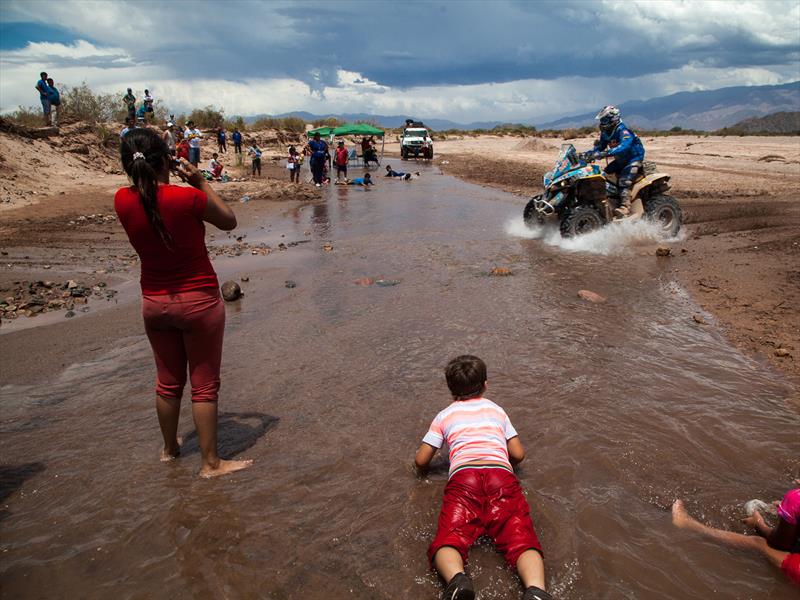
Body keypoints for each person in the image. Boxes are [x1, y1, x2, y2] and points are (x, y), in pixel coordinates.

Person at [113, 127, 253, 478]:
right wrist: (201, 182)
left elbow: (148, 200)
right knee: (205, 385)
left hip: (154, 302)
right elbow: (229, 221)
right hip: (198, 300)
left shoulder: (121, 200)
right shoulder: (185, 198)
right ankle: (211, 463)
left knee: (167, 381)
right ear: (166, 160)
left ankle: (170, 448)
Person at [415, 355, 551, 600]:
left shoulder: (445, 415)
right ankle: (536, 589)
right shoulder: (497, 411)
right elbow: (518, 454)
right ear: (486, 384)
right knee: (519, 535)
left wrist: (431, 468)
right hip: (501, 476)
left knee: (450, 536)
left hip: (463, 479)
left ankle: (458, 580)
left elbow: (421, 460)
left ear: (450, 388)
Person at [672, 484, 800, 586]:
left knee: (758, 543)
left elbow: (781, 543)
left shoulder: (796, 498)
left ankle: (687, 523)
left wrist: (758, 523)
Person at [581, 105, 645, 218]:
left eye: (604, 119)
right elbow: (600, 147)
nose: (602, 122)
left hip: (633, 159)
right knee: (603, 176)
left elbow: (624, 146)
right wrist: (588, 154)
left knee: (624, 180)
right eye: (602, 120)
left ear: (613, 118)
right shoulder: (606, 132)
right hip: (620, 160)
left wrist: (607, 153)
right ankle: (610, 200)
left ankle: (625, 207)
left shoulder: (623, 130)